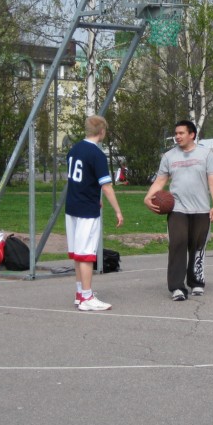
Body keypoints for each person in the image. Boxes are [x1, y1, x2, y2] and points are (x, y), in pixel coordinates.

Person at [144, 120, 213, 301]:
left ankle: (196, 282)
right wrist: (148, 197)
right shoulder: (169, 156)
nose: (177, 136)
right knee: (177, 243)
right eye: (176, 133)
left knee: (197, 246)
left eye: (181, 133)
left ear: (192, 134)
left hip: (201, 209)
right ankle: (177, 287)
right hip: (177, 208)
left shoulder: (206, 154)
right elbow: (161, 181)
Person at [66, 115, 124, 311]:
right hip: (86, 210)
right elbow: (106, 186)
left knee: (78, 253)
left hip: (72, 206)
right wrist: (117, 210)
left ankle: (80, 293)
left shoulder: (74, 149)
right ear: (102, 132)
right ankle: (87, 298)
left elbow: (81, 180)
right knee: (87, 254)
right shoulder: (97, 154)